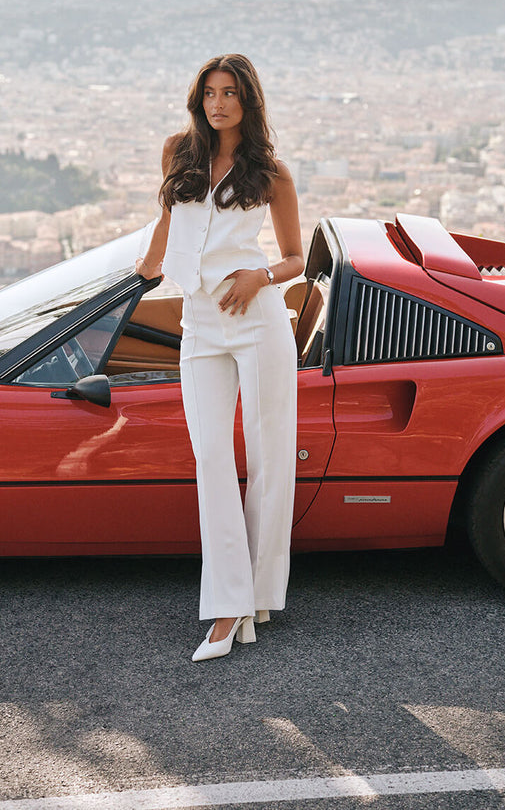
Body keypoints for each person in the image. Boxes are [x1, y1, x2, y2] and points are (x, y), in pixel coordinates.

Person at [136, 53, 304, 662]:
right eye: (210, 92)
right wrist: (141, 275)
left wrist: (259, 276)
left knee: (268, 460)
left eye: (230, 92)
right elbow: (166, 224)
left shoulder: (271, 171)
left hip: (257, 322)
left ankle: (252, 596)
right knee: (211, 457)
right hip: (200, 324)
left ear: (248, 101)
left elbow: (295, 257)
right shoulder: (177, 152)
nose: (218, 103)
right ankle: (231, 601)